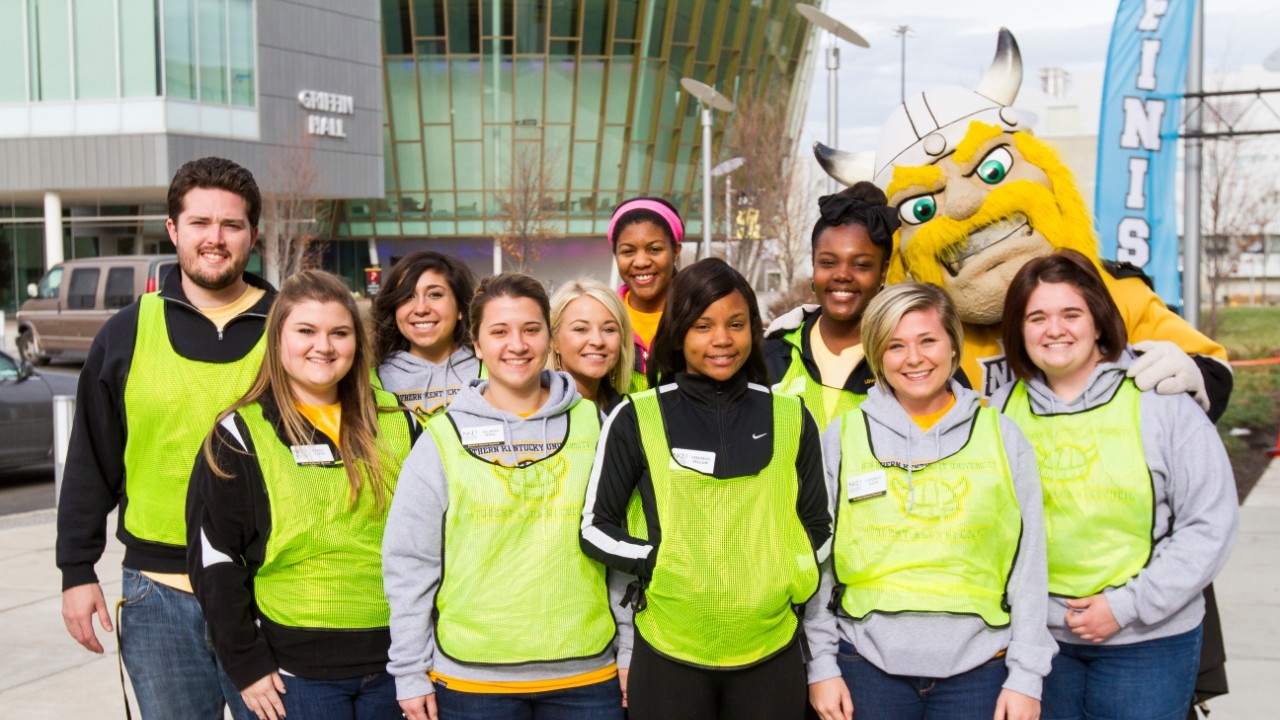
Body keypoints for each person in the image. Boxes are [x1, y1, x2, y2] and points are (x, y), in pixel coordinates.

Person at [56, 156, 272, 719]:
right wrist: (76, 571)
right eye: (199, 223)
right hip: (157, 595)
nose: (215, 239)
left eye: (231, 225)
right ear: (173, 230)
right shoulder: (127, 332)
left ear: (254, 233)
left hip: (269, 593)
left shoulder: (292, 330)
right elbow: (91, 461)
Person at [991, 250, 1238, 720]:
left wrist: (1126, 606)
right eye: (1037, 317)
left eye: (1071, 314)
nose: (1054, 329)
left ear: (1099, 322)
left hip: (1148, 642)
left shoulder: (1160, 402)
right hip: (1040, 646)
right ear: (1019, 332)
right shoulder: (998, 414)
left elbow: (1210, 522)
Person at [581, 257, 830, 720]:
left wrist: (783, 573)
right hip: (669, 650)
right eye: (703, 325)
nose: (722, 339)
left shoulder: (791, 415)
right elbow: (596, 527)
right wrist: (659, 563)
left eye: (736, 324)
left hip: (771, 650)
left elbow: (820, 523)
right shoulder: (637, 416)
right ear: (678, 332)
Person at [806, 282, 1054, 720]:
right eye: (895, 345)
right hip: (865, 666)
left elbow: (1029, 563)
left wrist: (1026, 676)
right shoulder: (842, 438)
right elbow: (818, 564)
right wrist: (821, 666)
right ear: (877, 355)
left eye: (928, 340)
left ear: (953, 348)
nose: (914, 358)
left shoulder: (1002, 435)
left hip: (982, 670)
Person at [384, 272, 626, 720]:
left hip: (586, 677)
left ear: (549, 339)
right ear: (476, 345)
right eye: (499, 331)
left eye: (530, 329)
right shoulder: (441, 437)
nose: (516, 344)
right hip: (472, 681)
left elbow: (621, 551)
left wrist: (628, 651)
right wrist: (410, 671)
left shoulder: (599, 427)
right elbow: (410, 563)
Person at [188, 269, 418, 720]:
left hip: (396, 667)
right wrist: (245, 665)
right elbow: (215, 558)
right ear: (278, 340)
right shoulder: (238, 433)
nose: (324, 346)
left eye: (340, 332)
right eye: (306, 331)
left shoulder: (400, 425)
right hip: (296, 674)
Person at [765, 182, 900, 430]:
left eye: (861, 265)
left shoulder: (909, 357)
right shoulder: (771, 355)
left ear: (883, 272)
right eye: (828, 262)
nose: (842, 275)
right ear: (814, 267)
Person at [371, 250, 480, 422]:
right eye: (408, 296)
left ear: (460, 307)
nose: (421, 309)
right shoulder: (369, 384)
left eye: (435, 294)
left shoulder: (493, 374)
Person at [607, 196, 684, 389]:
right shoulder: (603, 319)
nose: (641, 262)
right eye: (628, 251)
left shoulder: (697, 317)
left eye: (654, 249)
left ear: (676, 251)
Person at [548, 277, 635, 417]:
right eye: (581, 329)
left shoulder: (630, 413)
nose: (598, 341)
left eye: (609, 329)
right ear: (554, 341)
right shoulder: (535, 414)